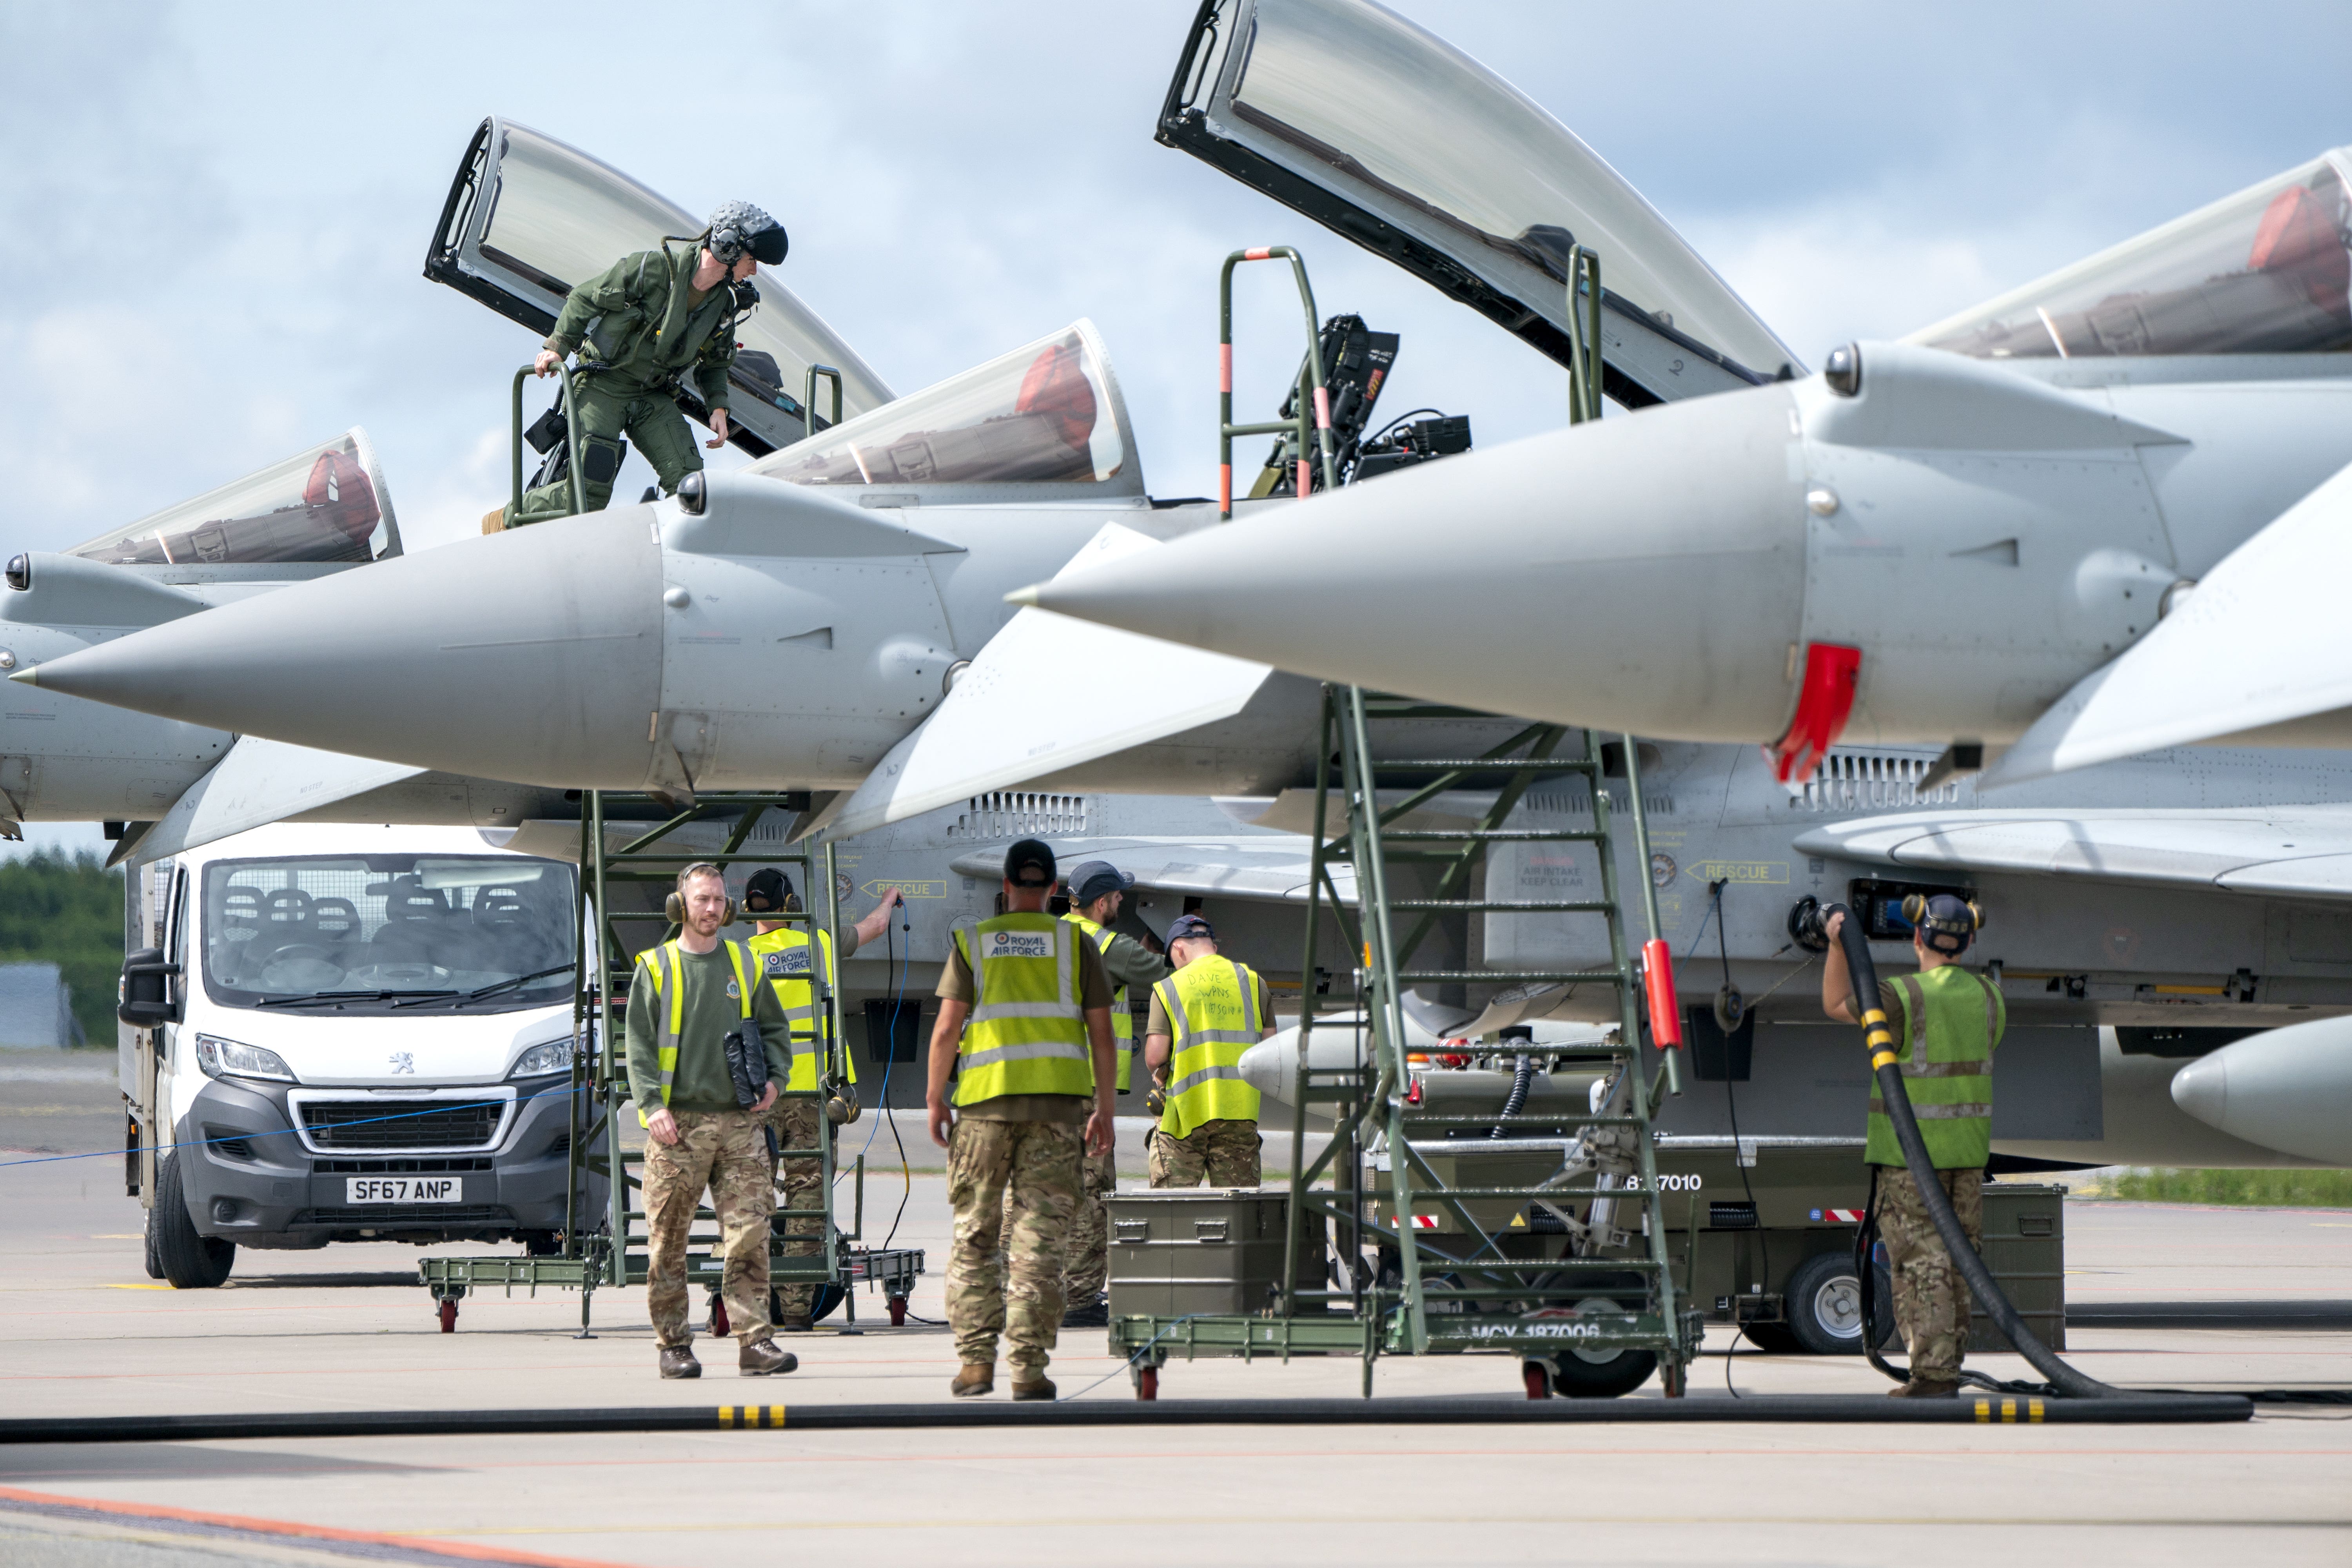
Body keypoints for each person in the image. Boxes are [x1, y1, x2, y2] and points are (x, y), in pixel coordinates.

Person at [926, 838, 1116, 1400]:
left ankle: (975, 1365)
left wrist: (937, 1099)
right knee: (1038, 1245)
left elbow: (945, 1031)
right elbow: (1102, 1034)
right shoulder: (1075, 944)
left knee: (975, 1239)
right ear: (1055, 890)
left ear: (1005, 887)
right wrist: (1104, 1107)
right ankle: (1028, 1369)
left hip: (983, 1111)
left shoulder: (974, 943)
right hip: (1058, 1115)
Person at [485, 201, 788, 531]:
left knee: (695, 489)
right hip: (604, 385)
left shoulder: (724, 307)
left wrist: (718, 406)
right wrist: (557, 347)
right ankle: (505, 520)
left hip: (652, 396)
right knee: (588, 495)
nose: (754, 271)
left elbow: (716, 363)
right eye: (752, 260)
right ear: (728, 248)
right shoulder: (652, 270)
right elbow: (584, 298)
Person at [1821, 893, 2004, 1399]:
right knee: (1959, 1264)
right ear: (1968, 941)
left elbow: (1837, 1004)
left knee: (1920, 1264)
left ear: (1918, 936)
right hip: (1967, 1158)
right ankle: (1947, 1364)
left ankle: (1934, 1376)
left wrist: (1839, 942)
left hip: (1909, 1159)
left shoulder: (1901, 997)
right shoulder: (1990, 998)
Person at [624, 862, 798, 1379]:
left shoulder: (745, 964)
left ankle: (755, 1340)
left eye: (719, 900)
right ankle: (673, 1345)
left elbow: (774, 1029)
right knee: (668, 1240)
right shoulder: (656, 967)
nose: (712, 910)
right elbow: (637, 1045)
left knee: (749, 1233)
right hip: (677, 1126)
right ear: (682, 905)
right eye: (702, 900)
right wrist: (651, 1105)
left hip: (740, 1123)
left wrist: (775, 1080)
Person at [743, 868, 902, 1331]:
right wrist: (890, 895)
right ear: (791, 905)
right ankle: (796, 1310)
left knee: (749, 1201)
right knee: (806, 1204)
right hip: (812, 1099)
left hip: (757, 1098)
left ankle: (744, 1307)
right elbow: (873, 928)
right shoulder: (820, 946)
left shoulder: (738, 958)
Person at [1048, 859, 1170, 1328]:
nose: (1123, 904)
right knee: (1091, 1193)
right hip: (1081, 1091)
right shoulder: (1109, 944)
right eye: (1119, 898)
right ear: (1102, 902)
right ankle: (1078, 1299)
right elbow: (1166, 973)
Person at [1143, 913, 1275, 1188]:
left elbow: (1155, 1057)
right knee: (1238, 1211)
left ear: (1179, 949)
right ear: (1213, 947)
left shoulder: (1169, 988)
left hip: (1184, 1116)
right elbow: (1270, 1051)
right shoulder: (1254, 984)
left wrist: (1163, 1072)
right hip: (1239, 1115)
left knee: (1173, 1213)